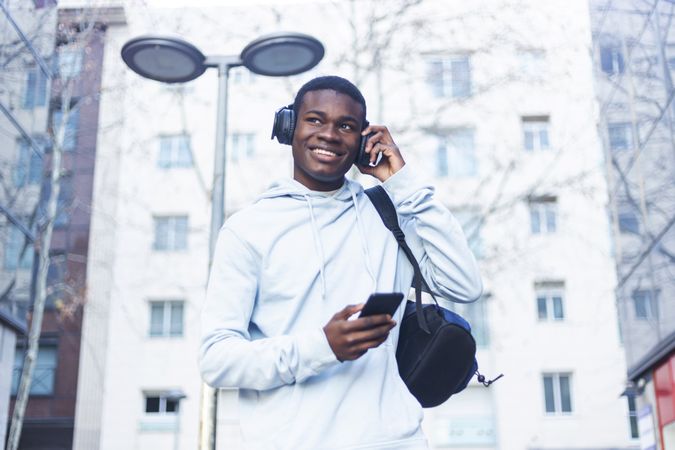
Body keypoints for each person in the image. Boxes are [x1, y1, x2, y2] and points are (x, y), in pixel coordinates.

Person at [199, 75, 482, 449]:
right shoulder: (248, 229)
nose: (329, 134)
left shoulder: (388, 214)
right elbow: (217, 360)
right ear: (289, 127)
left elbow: (465, 285)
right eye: (315, 120)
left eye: (346, 126)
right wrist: (322, 348)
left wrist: (404, 183)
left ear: (364, 140)